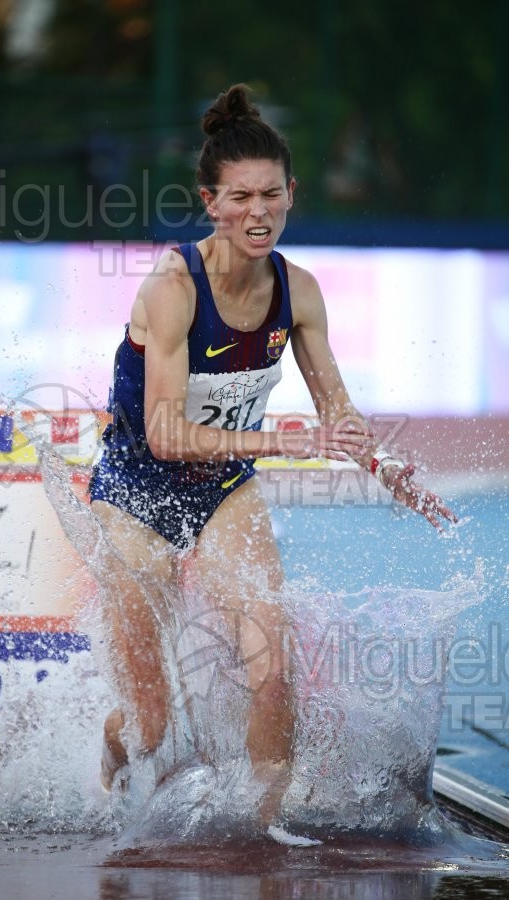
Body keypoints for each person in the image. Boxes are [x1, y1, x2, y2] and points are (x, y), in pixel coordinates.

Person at [88, 84, 456, 838]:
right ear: (211, 203)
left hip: (223, 490)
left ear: (294, 195)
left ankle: (260, 834)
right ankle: (112, 743)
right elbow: (163, 433)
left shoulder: (301, 292)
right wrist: (271, 440)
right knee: (153, 726)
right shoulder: (172, 289)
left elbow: (337, 415)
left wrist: (386, 469)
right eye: (241, 198)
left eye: (273, 196)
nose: (259, 213)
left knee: (273, 665)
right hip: (135, 494)